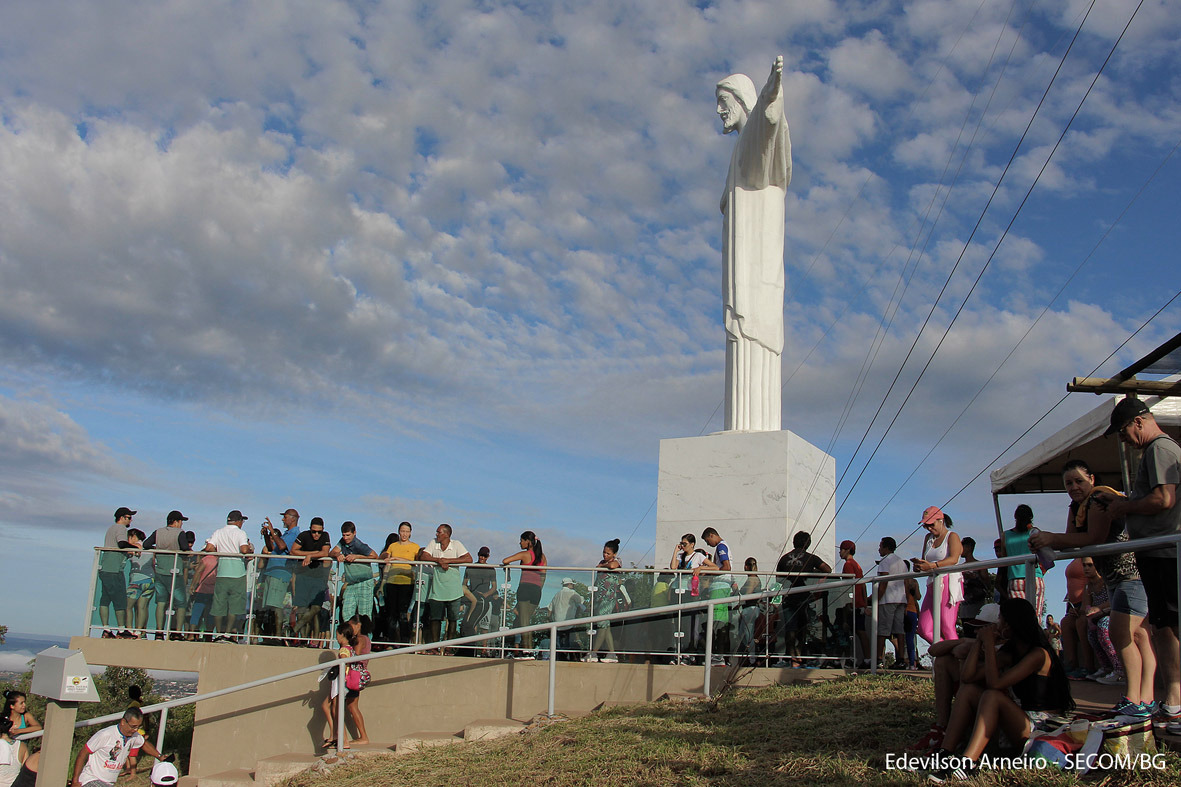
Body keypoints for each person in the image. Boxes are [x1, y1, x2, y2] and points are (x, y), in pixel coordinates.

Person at [1028, 458, 1155, 717]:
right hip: (1113, 578)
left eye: (1078, 481)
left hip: (1133, 574)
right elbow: (1071, 540)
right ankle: (1146, 699)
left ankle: (1134, 698)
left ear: (1092, 480)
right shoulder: (1076, 508)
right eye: (1068, 483)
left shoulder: (1099, 500)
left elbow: (1093, 537)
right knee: (1139, 636)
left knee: (1121, 633)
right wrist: (1045, 542)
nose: (1074, 487)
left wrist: (1052, 538)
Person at [716, 56, 792, 431]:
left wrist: (771, 93)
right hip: (743, 274)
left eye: (723, 101)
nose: (718, 110)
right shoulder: (739, 151)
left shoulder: (752, 141)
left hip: (755, 275)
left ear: (740, 100)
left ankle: (751, 429)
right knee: (743, 339)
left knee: (754, 339)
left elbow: (767, 125)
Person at [1096, 396, 1181, 731]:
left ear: (1139, 421)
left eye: (1122, 431)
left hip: (1166, 551)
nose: (1123, 439)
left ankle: (1174, 700)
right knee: (1162, 626)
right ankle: (1172, 702)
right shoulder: (1157, 451)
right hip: (1156, 550)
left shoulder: (1160, 448)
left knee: (1171, 626)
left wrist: (1123, 508)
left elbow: (1164, 499)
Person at [925, 599, 1072, 781]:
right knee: (969, 690)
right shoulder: (1011, 651)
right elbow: (967, 678)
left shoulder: (1038, 654)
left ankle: (968, 763)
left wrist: (988, 646)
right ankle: (945, 753)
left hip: (1039, 726)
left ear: (1011, 624)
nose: (998, 625)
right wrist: (979, 642)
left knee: (992, 695)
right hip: (1020, 719)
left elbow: (995, 684)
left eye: (1001, 620)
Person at [774, 531, 832, 663]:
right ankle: (798, 652)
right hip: (804, 597)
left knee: (790, 627)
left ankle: (790, 655)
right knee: (802, 626)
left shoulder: (784, 558)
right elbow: (827, 569)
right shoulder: (811, 558)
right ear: (808, 543)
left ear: (794, 542)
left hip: (788, 596)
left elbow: (778, 579)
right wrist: (814, 574)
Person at [71, 708, 167, 787]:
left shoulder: (134, 736)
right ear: (123, 722)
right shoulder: (106, 735)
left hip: (108, 783)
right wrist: (75, 781)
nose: (135, 730)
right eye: (133, 726)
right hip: (91, 779)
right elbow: (83, 753)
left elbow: (144, 744)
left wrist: (159, 756)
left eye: (138, 727)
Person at [913, 506, 962, 643]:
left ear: (941, 520)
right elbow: (926, 559)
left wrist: (933, 566)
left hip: (948, 580)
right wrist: (920, 566)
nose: (929, 528)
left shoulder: (952, 536)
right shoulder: (928, 538)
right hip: (932, 582)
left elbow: (954, 559)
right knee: (923, 628)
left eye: (931, 524)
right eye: (926, 526)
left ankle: (957, 659)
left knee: (947, 625)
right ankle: (946, 653)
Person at [418, 524, 472, 645]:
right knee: (435, 618)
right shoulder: (433, 543)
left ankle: (449, 645)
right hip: (437, 589)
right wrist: (439, 560)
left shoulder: (456, 544)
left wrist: (448, 561)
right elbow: (424, 556)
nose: (436, 534)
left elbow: (468, 558)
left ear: (446, 534)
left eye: (439, 532)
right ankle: (435, 645)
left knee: (453, 619)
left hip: (453, 590)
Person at [203, 510, 254, 640]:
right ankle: (228, 633)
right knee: (234, 606)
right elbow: (243, 550)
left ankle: (219, 632)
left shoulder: (218, 532)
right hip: (238, 574)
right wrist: (249, 549)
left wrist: (220, 551)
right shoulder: (240, 533)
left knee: (219, 605)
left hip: (222, 574)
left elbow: (208, 548)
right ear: (238, 521)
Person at [144, 511, 192, 640]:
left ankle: (159, 632)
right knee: (181, 603)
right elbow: (184, 548)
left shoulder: (158, 532)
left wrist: (160, 548)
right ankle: (176, 632)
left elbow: (146, 545)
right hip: (175, 572)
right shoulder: (179, 533)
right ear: (176, 522)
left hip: (160, 571)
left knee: (161, 602)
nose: (181, 524)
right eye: (181, 521)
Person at [996, 504, 1045, 620]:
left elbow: (1004, 558)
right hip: (1035, 577)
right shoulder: (1035, 532)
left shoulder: (1005, 535)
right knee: (1035, 617)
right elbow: (1044, 553)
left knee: (1018, 619)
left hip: (1015, 578)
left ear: (1015, 517)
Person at [320, 626, 366, 749]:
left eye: (337, 634)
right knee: (330, 707)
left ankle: (342, 739)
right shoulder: (351, 649)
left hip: (342, 683)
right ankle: (335, 736)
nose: (336, 637)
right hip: (346, 683)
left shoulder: (344, 650)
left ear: (341, 635)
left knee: (337, 711)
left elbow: (344, 663)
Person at [501, 531, 547, 656]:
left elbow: (505, 560)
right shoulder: (543, 557)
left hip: (525, 588)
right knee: (524, 617)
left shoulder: (525, 554)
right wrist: (538, 589)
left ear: (528, 541)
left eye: (521, 540)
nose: (520, 543)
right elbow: (543, 576)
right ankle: (527, 648)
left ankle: (527, 649)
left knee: (524, 621)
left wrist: (508, 566)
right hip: (537, 591)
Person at [291, 517, 332, 645]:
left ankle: (296, 628)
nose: (316, 534)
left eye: (319, 532)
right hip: (303, 576)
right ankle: (302, 640)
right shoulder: (303, 535)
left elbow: (325, 552)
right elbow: (293, 551)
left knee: (316, 608)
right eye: (314, 531)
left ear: (322, 530)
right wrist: (313, 553)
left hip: (318, 577)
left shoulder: (325, 536)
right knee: (302, 609)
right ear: (310, 529)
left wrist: (309, 555)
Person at [258, 509, 299, 640]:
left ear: (293, 519)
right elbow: (272, 547)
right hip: (272, 571)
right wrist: (266, 535)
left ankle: (277, 636)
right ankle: (270, 635)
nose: (283, 520)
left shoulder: (294, 533)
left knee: (276, 606)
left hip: (281, 572)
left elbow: (282, 547)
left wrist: (272, 531)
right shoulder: (286, 534)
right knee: (269, 606)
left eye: (285, 517)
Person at [97, 507, 136, 636]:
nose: (131, 520)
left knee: (105, 598)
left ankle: (106, 629)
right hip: (114, 569)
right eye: (129, 517)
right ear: (122, 518)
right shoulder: (120, 528)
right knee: (119, 599)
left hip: (105, 567)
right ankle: (121, 630)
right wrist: (136, 547)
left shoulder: (111, 529)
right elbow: (122, 544)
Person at [379, 522, 419, 645]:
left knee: (403, 613)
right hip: (392, 582)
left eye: (407, 531)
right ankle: (390, 642)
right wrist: (382, 584)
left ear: (410, 533)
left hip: (407, 583)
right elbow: (387, 565)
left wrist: (398, 559)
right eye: (402, 531)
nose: (404, 534)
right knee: (392, 613)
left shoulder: (415, 547)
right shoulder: (393, 546)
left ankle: (404, 642)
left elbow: (415, 563)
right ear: (399, 532)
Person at [585, 539, 624, 663]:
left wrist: (602, 566)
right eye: (604, 553)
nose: (605, 555)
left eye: (608, 553)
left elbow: (613, 566)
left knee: (602, 625)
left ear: (614, 554)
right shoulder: (602, 562)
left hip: (609, 598)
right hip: (599, 597)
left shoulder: (616, 561)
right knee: (605, 626)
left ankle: (593, 652)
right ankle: (612, 654)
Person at [332, 522, 378, 624]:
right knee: (346, 613)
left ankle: (365, 638)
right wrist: (337, 554)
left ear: (354, 533)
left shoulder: (358, 544)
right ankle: (351, 637)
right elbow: (332, 552)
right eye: (344, 535)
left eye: (348, 535)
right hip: (351, 583)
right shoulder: (342, 542)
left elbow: (374, 556)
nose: (346, 538)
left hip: (364, 582)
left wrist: (357, 556)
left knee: (364, 615)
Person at [670, 534, 708, 658]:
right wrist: (676, 550)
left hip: (688, 591)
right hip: (678, 590)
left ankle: (688, 651)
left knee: (688, 623)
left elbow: (714, 566)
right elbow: (673, 567)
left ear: (692, 544)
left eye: (685, 544)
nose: (683, 546)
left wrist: (700, 568)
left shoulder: (698, 556)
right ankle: (678, 651)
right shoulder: (681, 556)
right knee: (677, 622)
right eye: (682, 543)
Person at [836, 540, 869, 666]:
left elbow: (847, 586)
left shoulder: (848, 565)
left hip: (852, 603)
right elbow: (863, 585)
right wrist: (865, 603)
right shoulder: (857, 565)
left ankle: (854, 659)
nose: (840, 552)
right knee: (860, 632)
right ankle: (866, 658)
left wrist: (848, 603)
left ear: (847, 550)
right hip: (859, 603)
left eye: (841, 549)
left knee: (851, 631)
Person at [875, 537, 907, 668]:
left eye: (881, 546)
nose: (879, 549)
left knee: (883, 630)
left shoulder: (885, 561)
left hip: (888, 599)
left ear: (886, 547)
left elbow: (884, 582)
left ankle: (877, 659)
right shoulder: (902, 562)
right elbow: (906, 581)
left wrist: (876, 599)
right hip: (901, 599)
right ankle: (901, 659)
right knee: (899, 631)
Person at [461, 547, 498, 649]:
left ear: (488, 556)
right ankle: (471, 646)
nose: (482, 557)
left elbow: (494, 587)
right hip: (472, 600)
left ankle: (483, 649)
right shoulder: (470, 567)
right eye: (481, 555)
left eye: (484, 556)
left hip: (485, 601)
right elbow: (464, 583)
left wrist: (485, 595)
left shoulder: (491, 569)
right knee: (471, 623)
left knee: (485, 626)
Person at [956, 537, 992, 636]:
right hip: (964, 609)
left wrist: (975, 577)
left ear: (969, 547)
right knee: (968, 633)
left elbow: (987, 584)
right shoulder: (960, 567)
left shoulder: (979, 565)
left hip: (977, 607)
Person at [548, 577, 584, 660]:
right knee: (568, 640)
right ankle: (566, 655)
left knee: (557, 642)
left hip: (557, 622)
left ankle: (558, 657)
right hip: (568, 622)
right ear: (569, 584)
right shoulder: (572, 593)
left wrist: (550, 619)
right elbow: (580, 604)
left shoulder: (557, 594)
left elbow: (550, 609)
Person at [186, 552, 218, 639]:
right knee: (211, 615)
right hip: (214, 591)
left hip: (202, 589)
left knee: (196, 613)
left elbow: (198, 571)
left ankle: (191, 634)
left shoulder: (206, 559)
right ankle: (209, 635)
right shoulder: (219, 560)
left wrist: (192, 585)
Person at [903, 563, 922, 670]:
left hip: (908, 610)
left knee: (907, 638)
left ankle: (910, 662)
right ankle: (912, 661)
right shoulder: (913, 581)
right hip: (913, 611)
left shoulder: (904, 580)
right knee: (910, 638)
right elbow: (918, 597)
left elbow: (917, 597)